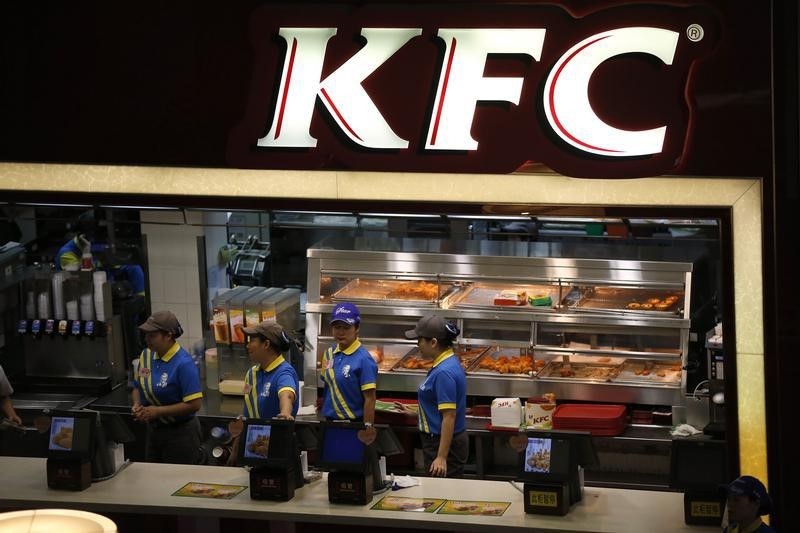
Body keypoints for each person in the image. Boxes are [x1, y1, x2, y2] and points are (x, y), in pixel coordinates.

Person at [320, 302, 384, 490]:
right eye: (336, 327)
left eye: (346, 327)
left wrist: (368, 428)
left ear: (356, 328)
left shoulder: (363, 359)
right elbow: (327, 384)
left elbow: (370, 398)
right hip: (331, 423)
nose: (340, 332)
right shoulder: (329, 353)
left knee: (354, 476)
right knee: (336, 475)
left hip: (354, 425)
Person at [131, 310, 203, 464]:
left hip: (181, 434)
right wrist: (137, 405)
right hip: (154, 431)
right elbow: (137, 386)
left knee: (178, 482)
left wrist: (158, 411)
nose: (147, 339)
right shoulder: (146, 355)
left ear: (168, 335)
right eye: (146, 335)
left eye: (152, 335)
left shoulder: (183, 363)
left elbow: (195, 404)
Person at [405, 315, 468, 478]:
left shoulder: (444, 372)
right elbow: (438, 404)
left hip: (443, 444)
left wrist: (441, 457)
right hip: (442, 441)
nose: (418, 345)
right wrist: (417, 411)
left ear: (433, 342)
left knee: (441, 496)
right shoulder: (446, 363)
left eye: (420, 340)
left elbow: (449, 416)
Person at [241, 320, 299, 420]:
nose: (247, 345)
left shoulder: (284, 373)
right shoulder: (251, 374)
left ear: (266, 344)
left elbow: (286, 395)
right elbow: (248, 405)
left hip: (276, 434)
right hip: (252, 433)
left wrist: (285, 412)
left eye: (252, 341)